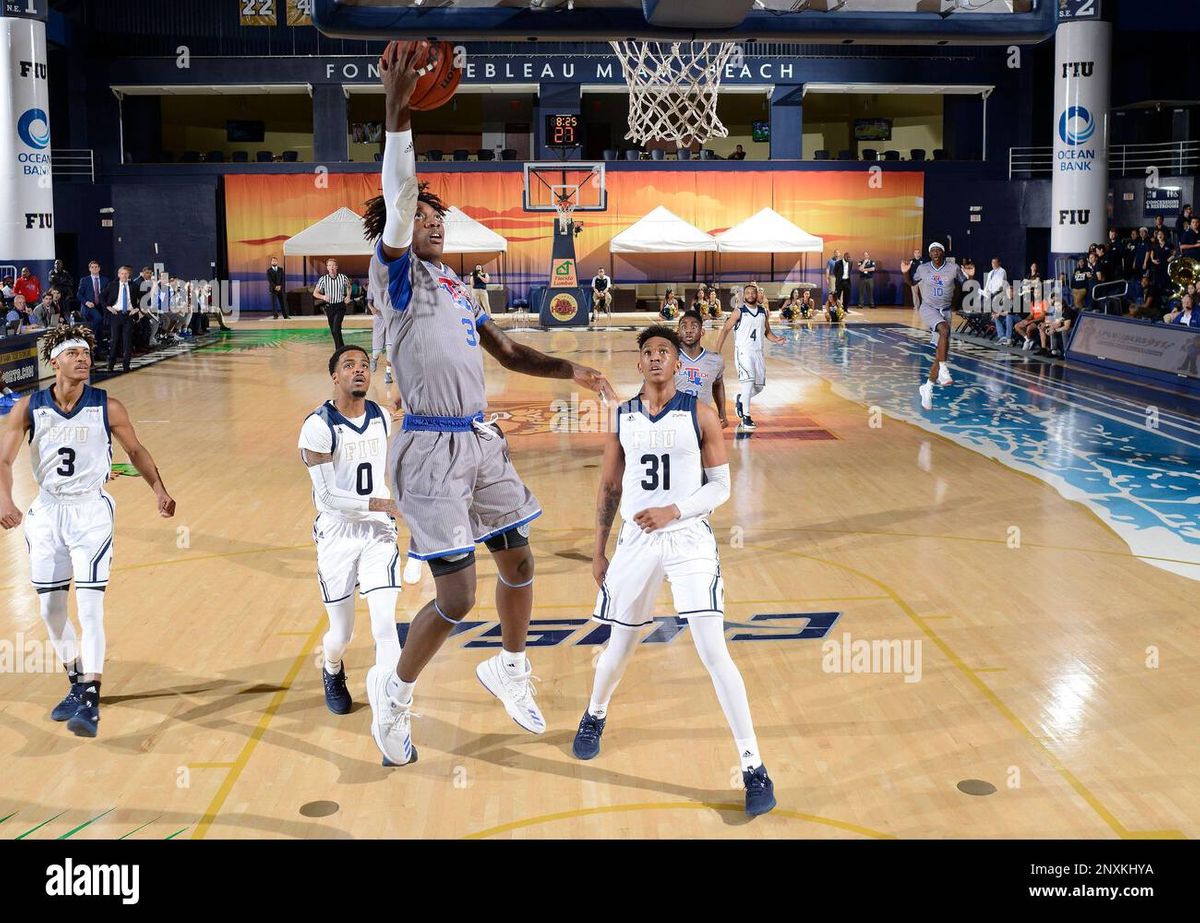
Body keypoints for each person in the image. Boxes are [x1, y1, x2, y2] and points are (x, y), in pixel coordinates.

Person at [358, 41, 616, 767]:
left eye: (442, 218)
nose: (437, 223)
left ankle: (508, 664)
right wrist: (397, 107)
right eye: (425, 217)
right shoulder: (396, 277)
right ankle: (396, 694)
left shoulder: (458, 289)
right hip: (428, 450)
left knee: (520, 558)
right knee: (457, 594)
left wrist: (575, 369)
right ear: (401, 230)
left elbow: (507, 352)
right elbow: (400, 192)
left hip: (479, 438)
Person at [575, 324, 775, 817]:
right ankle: (594, 715)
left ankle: (753, 766)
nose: (658, 358)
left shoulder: (700, 414)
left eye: (665, 351)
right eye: (650, 352)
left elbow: (720, 488)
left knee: (713, 650)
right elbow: (608, 488)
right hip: (636, 541)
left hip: (687, 538)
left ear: (676, 363)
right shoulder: (622, 418)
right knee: (620, 644)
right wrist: (599, 552)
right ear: (639, 363)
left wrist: (675, 511)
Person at [0, 325, 176, 737]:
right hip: (46, 512)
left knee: (91, 605)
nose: (83, 358)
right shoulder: (27, 407)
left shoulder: (107, 406)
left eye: (86, 352)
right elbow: (4, 461)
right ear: (54, 360)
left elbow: (135, 451)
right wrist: (5, 500)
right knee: (50, 609)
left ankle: (91, 698)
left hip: (90, 511)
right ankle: (78, 681)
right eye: (73, 352)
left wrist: (159, 490)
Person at [299, 344, 405, 717]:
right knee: (340, 635)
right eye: (349, 365)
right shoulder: (317, 427)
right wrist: (386, 503)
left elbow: (389, 457)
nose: (359, 370)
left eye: (364, 365)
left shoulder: (378, 415)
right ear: (335, 376)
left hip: (377, 532)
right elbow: (327, 497)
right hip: (337, 533)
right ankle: (332, 669)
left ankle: (392, 708)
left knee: (384, 625)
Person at [902, 242, 974, 410]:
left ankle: (927, 387)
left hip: (946, 311)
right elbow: (912, 283)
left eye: (938, 250)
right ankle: (943, 369)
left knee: (940, 353)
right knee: (944, 329)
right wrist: (905, 273)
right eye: (932, 250)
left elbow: (965, 284)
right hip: (928, 308)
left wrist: (970, 276)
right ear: (930, 254)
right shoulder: (923, 268)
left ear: (943, 252)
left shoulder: (953, 268)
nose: (935, 252)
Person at [714, 282, 785, 430]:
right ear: (743, 296)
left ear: (758, 294)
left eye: (754, 292)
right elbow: (725, 330)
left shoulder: (763, 312)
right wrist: (717, 351)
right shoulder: (738, 311)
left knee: (759, 387)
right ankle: (745, 417)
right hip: (743, 352)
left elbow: (767, 332)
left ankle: (741, 399)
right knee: (748, 382)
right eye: (748, 293)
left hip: (758, 352)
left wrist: (776, 339)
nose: (751, 295)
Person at [675, 309, 728, 427]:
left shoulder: (715, 360)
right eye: (684, 327)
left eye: (694, 327)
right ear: (678, 331)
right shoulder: (669, 358)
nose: (688, 331)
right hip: (674, 421)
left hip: (702, 422)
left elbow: (718, 384)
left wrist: (722, 413)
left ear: (702, 331)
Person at [103, 266, 137, 373]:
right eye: (122, 273)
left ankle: (126, 365)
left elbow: (141, 298)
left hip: (128, 315)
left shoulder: (133, 286)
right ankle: (111, 364)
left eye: (126, 274)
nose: (124, 276)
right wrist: (108, 307)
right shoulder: (112, 285)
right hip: (116, 315)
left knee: (127, 341)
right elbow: (101, 296)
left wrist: (137, 309)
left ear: (129, 275)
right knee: (114, 340)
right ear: (118, 275)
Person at [313, 258, 352, 350]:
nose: (331, 267)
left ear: (336, 267)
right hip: (329, 307)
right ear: (327, 268)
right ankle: (341, 347)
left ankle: (338, 350)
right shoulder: (323, 279)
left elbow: (349, 287)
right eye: (329, 265)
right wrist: (323, 297)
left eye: (333, 265)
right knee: (334, 331)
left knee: (336, 328)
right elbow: (315, 293)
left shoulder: (343, 277)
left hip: (340, 306)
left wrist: (348, 296)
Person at [76, 260, 109, 350]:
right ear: (89, 269)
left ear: (99, 268)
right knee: (98, 318)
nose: (94, 269)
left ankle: (97, 350)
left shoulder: (105, 280)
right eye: (92, 267)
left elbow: (107, 294)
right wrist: (87, 302)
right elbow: (79, 295)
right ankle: (89, 335)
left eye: (96, 267)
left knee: (100, 328)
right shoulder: (84, 280)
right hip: (88, 306)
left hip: (100, 306)